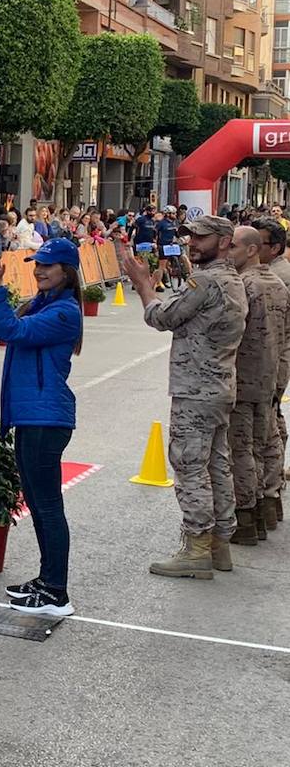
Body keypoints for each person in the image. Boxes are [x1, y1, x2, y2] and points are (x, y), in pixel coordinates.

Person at [124, 216, 247, 580]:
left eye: (201, 237)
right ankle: (219, 543)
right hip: (219, 387)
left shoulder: (206, 281)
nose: (192, 242)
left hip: (196, 389)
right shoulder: (231, 279)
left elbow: (163, 317)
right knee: (216, 465)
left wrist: (144, 285)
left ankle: (196, 547)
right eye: (190, 236)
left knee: (190, 465)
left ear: (224, 242)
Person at [0, 238, 84, 616]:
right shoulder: (41, 305)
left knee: (48, 506)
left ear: (66, 271)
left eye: (47, 266)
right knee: (39, 504)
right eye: (37, 264)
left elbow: (13, 330)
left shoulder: (65, 312)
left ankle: (56, 592)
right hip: (32, 416)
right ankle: (47, 580)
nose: (39, 270)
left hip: (44, 419)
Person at [226, 225, 289, 544]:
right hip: (268, 377)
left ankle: (246, 518)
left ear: (252, 250)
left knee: (241, 451)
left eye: (233, 246)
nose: (228, 251)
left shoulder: (243, 285)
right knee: (264, 444)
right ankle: (266, 506)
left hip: (243, 379)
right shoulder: (276, 282)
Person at [254, 217, 290, 524]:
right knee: (271, 424)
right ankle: (271, 492)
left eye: (259, 244)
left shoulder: (277, 277)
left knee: (264, 431)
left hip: (269, 362)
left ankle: (267, 493)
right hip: (273, 361)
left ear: (274, 247)